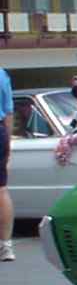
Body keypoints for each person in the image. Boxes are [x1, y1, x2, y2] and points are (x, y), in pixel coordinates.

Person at [0, 64, 14, 262]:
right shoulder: (1, 73)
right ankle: (6, 246)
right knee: (1, 189)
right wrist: (8, 142)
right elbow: (9, 112)